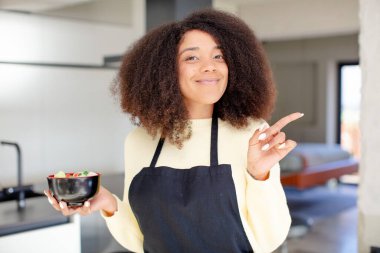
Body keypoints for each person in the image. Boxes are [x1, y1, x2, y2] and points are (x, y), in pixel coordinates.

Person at [45, 9, 303, 253]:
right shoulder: (139, 141)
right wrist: (108, 204)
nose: (209, 66)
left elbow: (270, 239)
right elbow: (140, 241)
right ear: (164, 72)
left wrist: (260, 176)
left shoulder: (252, 133)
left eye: (219, 56)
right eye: (192, 57)